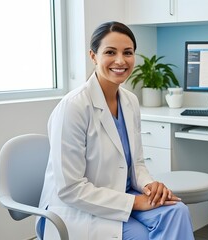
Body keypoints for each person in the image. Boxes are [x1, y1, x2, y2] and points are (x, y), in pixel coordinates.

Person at [37, 21, 195, 240]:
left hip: (122, 194)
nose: (121, 61)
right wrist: (134, 202)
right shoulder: (73, 107)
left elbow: (136, 164)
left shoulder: (130, 101)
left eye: (127, 53)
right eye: (110, 52)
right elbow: (70, 189)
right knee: (141, 235)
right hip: (77, 209)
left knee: (177, 212)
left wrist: (149, 186)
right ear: (93, 56)